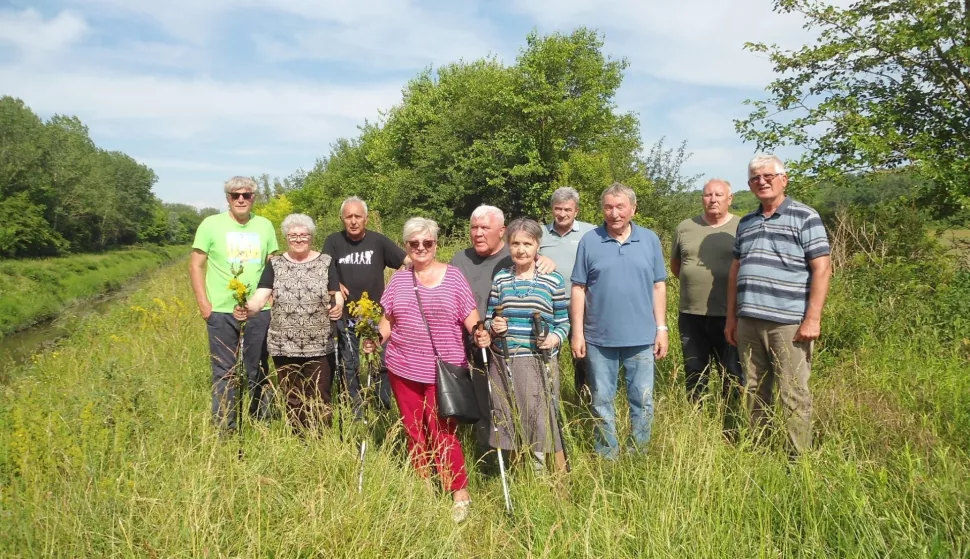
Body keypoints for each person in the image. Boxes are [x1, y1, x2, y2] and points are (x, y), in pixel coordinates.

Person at [366, 217, 489, 523]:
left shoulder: (453, 277)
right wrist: (376, 339)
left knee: (443, 432)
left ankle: (459, 491)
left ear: (436, 244)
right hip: (402, 367)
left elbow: (470, 317)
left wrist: (480, 333)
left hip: (442, 370)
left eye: (427, 243)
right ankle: (423, 485)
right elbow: (389, 320)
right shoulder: (398, 280)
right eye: (414, 243)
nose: (421, 248)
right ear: (406, 246)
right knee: (414, 430)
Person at [725, 155, 832, 456]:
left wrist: (812, 318)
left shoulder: (804, 216)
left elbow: (822, 268)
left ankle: (797, 459)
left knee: (793, 393)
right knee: (755, 389)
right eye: (755, 178)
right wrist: (731, 318)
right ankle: (760, 450)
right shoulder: (746, 222)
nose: (762, 181)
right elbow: (735, 270)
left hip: (789, 323)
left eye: (768, 175)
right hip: (748, 321)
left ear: (784, 179)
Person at [570, 182, 669, 459]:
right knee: (602, 400)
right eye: (608, 207)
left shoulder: (649, 240)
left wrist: (661, 329)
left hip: (642, 337)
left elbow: (658, 286)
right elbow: (579, 288)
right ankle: (607, 455)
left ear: (633, 209)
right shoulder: (589, 241)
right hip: (599, 337)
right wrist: (577, 333)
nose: (614, 213)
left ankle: (638, 452)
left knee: (643, 400)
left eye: (620, 207)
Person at [449, 205, 556, 460]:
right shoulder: (460, 259)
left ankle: (527, 459)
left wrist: (546, 260)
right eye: (474, 228)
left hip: (510, 347)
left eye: (485, 228)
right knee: (484, 404)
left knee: (521, 404)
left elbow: (533, 260)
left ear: (502, 231)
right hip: (472, 343)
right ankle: (491, 457)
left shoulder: (514, 257)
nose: (478, 233)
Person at [237, 214, 343, 433]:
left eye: (303, 235)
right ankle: (299, 438)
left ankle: (323, 441)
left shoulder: (325, 261)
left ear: (311, 236)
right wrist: (248, 309)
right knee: (292, 395)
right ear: (286, 237)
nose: (298, 239)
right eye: (293, 235)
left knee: (320, 393)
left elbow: (335, 292)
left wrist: (338, 305)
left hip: (319, 342)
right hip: (283, 343)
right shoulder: (275, 264)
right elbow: (261, 296)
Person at [189, 176, 279, 432]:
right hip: (220, 311)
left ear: (253, 198)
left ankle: (260, 421)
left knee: (258, 366)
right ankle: (225, 427)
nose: (241, 199)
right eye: (235, 195)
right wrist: (203, 303)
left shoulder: (264, 226)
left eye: (246, 195)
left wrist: (270, 300)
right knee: (224, 371)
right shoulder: (210, 224)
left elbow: (273, 263)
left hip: (258, 310)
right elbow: (196, 264)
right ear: (227, 198)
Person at [485, 218, 570, 472]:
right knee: (508, 417)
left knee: (541, 419)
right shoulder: (501, 279)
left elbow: (563, 322)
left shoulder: (552, 280)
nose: (521, 249)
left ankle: (545, 475)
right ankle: (518, 473)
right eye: (515, 243)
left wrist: (554, 338)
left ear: (537, 246)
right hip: (505, 359)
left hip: (538, 360)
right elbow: (490, 317)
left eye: (527, 243)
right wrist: (494, 325)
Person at [322, 196, 407, 412]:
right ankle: (355, 408)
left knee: (380, 363)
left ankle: (381, 406)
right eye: (348, 216)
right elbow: (324, 269)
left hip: (375, 315)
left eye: (357, 216)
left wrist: (401, 285)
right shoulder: (333, 241)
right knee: (349, 364)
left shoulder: (378, 241)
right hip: (345, 315)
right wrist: (336, 283)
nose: (353, 221)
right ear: (342, 218)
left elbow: (406, 262)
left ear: (366, 219)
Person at [671, 179, 743, 404]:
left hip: (729, 314)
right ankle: (697, 421)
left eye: (719, 195)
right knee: (694, 371)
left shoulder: (742, 226)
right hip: (691, 314)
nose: (713, 199)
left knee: (731, 373)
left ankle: (729, 423)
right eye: (708, 195)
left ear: (729, 199)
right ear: (702, 198)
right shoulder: (685, 227)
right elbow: (676, 266)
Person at [539, 187, 595, 398]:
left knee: (582, 356)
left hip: (582, 306)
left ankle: (584, 400)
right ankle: (548, 400)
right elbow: (523, 254)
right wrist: (538, 259)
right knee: (547, 353)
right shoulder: (539, 233)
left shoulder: (591, 232)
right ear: (552, 209)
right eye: (558, 209)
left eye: (567, 209)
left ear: (576, 211)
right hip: (549, 307)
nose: (562, 214)